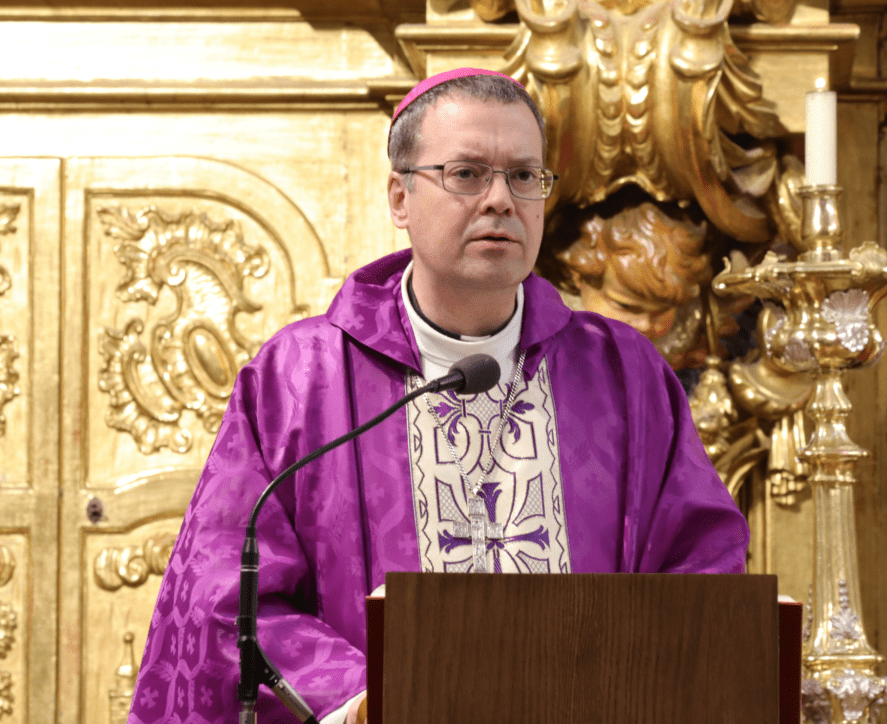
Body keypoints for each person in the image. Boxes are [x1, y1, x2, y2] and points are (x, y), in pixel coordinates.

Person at [128, 68, 749, 724]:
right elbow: (230, 596)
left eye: (524, 176)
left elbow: (701, 574)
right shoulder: (299, 380)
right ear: (399, 197)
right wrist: (368, 701)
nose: (501, 200)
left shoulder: (623, 374)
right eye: (467, 174)